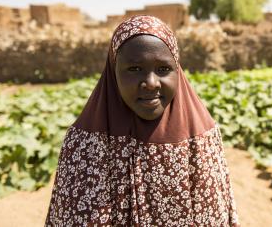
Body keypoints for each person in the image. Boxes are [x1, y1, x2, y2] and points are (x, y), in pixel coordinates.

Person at [45, 15, 239, 226]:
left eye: (163, 69)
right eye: (134, 69)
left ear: (178, 70)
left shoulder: (203, 138)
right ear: (113, 71)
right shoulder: (83, 144)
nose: (151, 83)